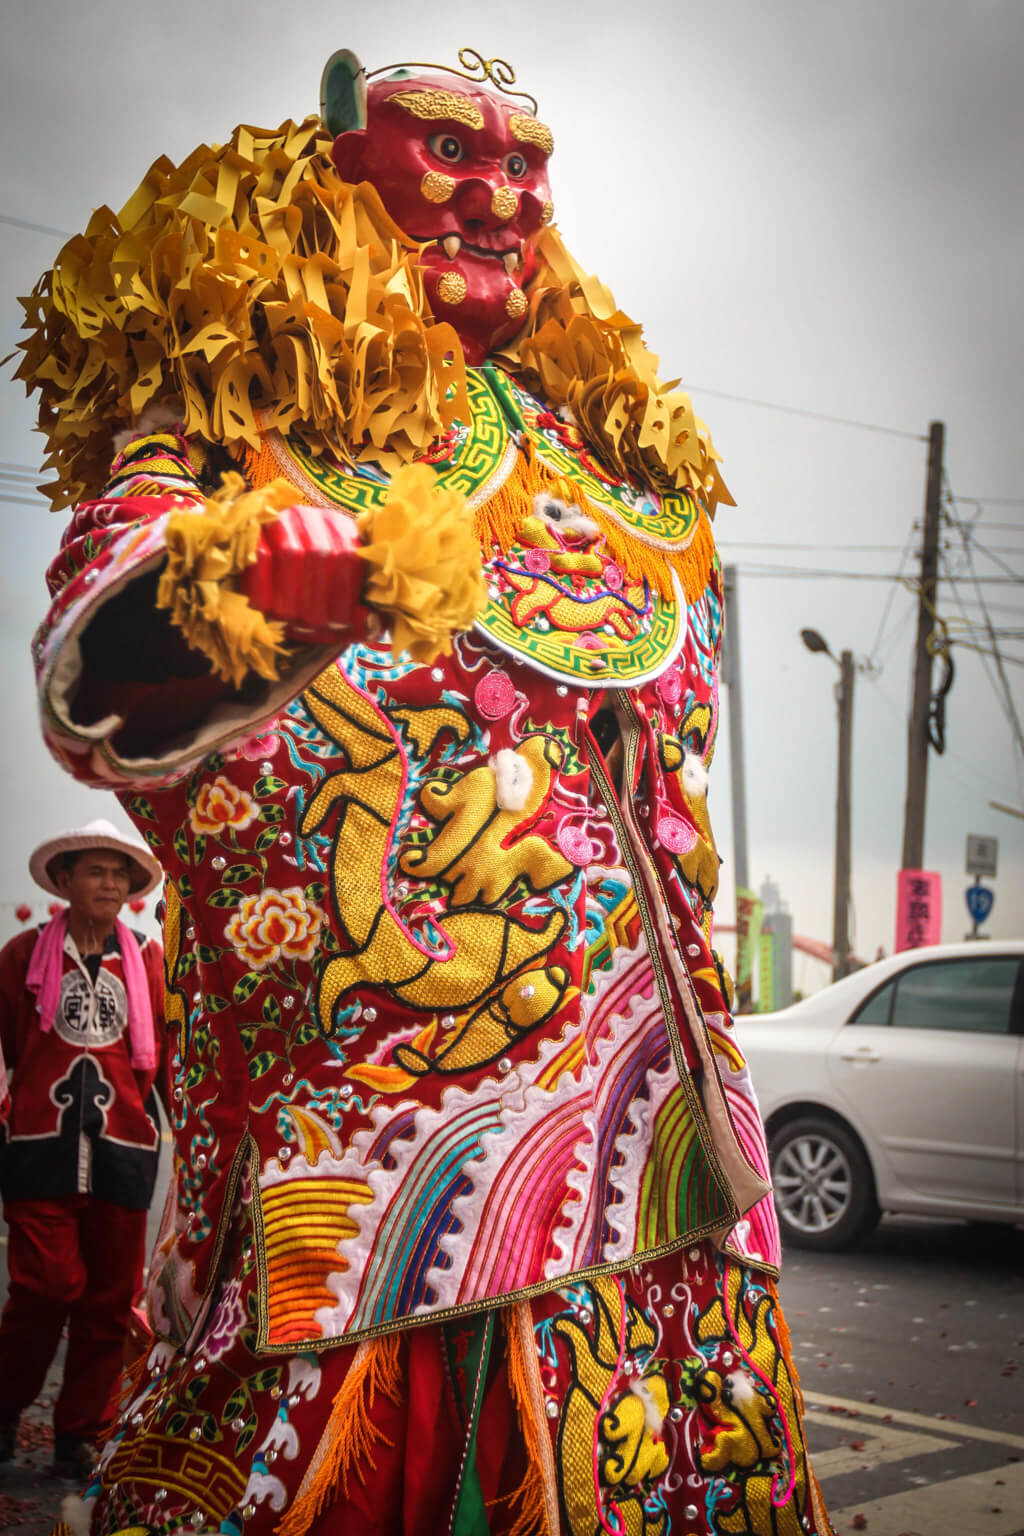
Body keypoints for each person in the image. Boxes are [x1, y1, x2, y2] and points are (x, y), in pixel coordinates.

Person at [19, 49, 834, 1535]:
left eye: (526, 165)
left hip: (651, 1119)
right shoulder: (238, 425)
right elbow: (105, 652)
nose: (494, 192)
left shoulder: (600, 464)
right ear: (335, 174)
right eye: (448, 150)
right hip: (373, 1124)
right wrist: (239, 586)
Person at [0, 819, 166, 1481]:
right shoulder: (21, 956)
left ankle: (79, 1433)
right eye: (95, 871)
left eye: (119, 873)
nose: (109, 883)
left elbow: (165, 1063)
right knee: (45, 1287)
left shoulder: (149, 960)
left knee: (108, 1301)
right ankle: (7, 1403)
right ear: (64, 881)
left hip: (125, 1148)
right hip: (40, 1146)